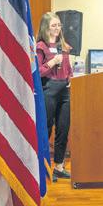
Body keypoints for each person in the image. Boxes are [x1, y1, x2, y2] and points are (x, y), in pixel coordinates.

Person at [36, 12, 72, 179]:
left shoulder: (63, 45)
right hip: (49, 90)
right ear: (46, 27)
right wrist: (52, 62)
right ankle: (43, 167)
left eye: (59, 25)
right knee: (47, 128)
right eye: (53, 25)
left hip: (64, 90)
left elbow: (67, 68)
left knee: (63, 128)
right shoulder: (40, 47)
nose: (57, 28)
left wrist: (70, 78)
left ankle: (59, 166)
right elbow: (38, 72)